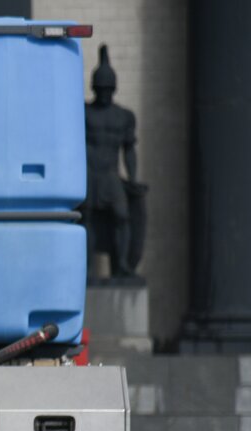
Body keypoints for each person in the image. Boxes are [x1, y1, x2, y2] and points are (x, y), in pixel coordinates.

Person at [83, 44, 142, 279]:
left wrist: (133, 177)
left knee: (122, 216)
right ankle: (86, 269)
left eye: (108, 89)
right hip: (89, 173)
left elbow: (129, 150)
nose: (105, 93)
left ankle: (121, 265)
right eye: (101, 89)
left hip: (109, 173)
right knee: (85, 219)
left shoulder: (123, 117)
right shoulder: (84, 112)